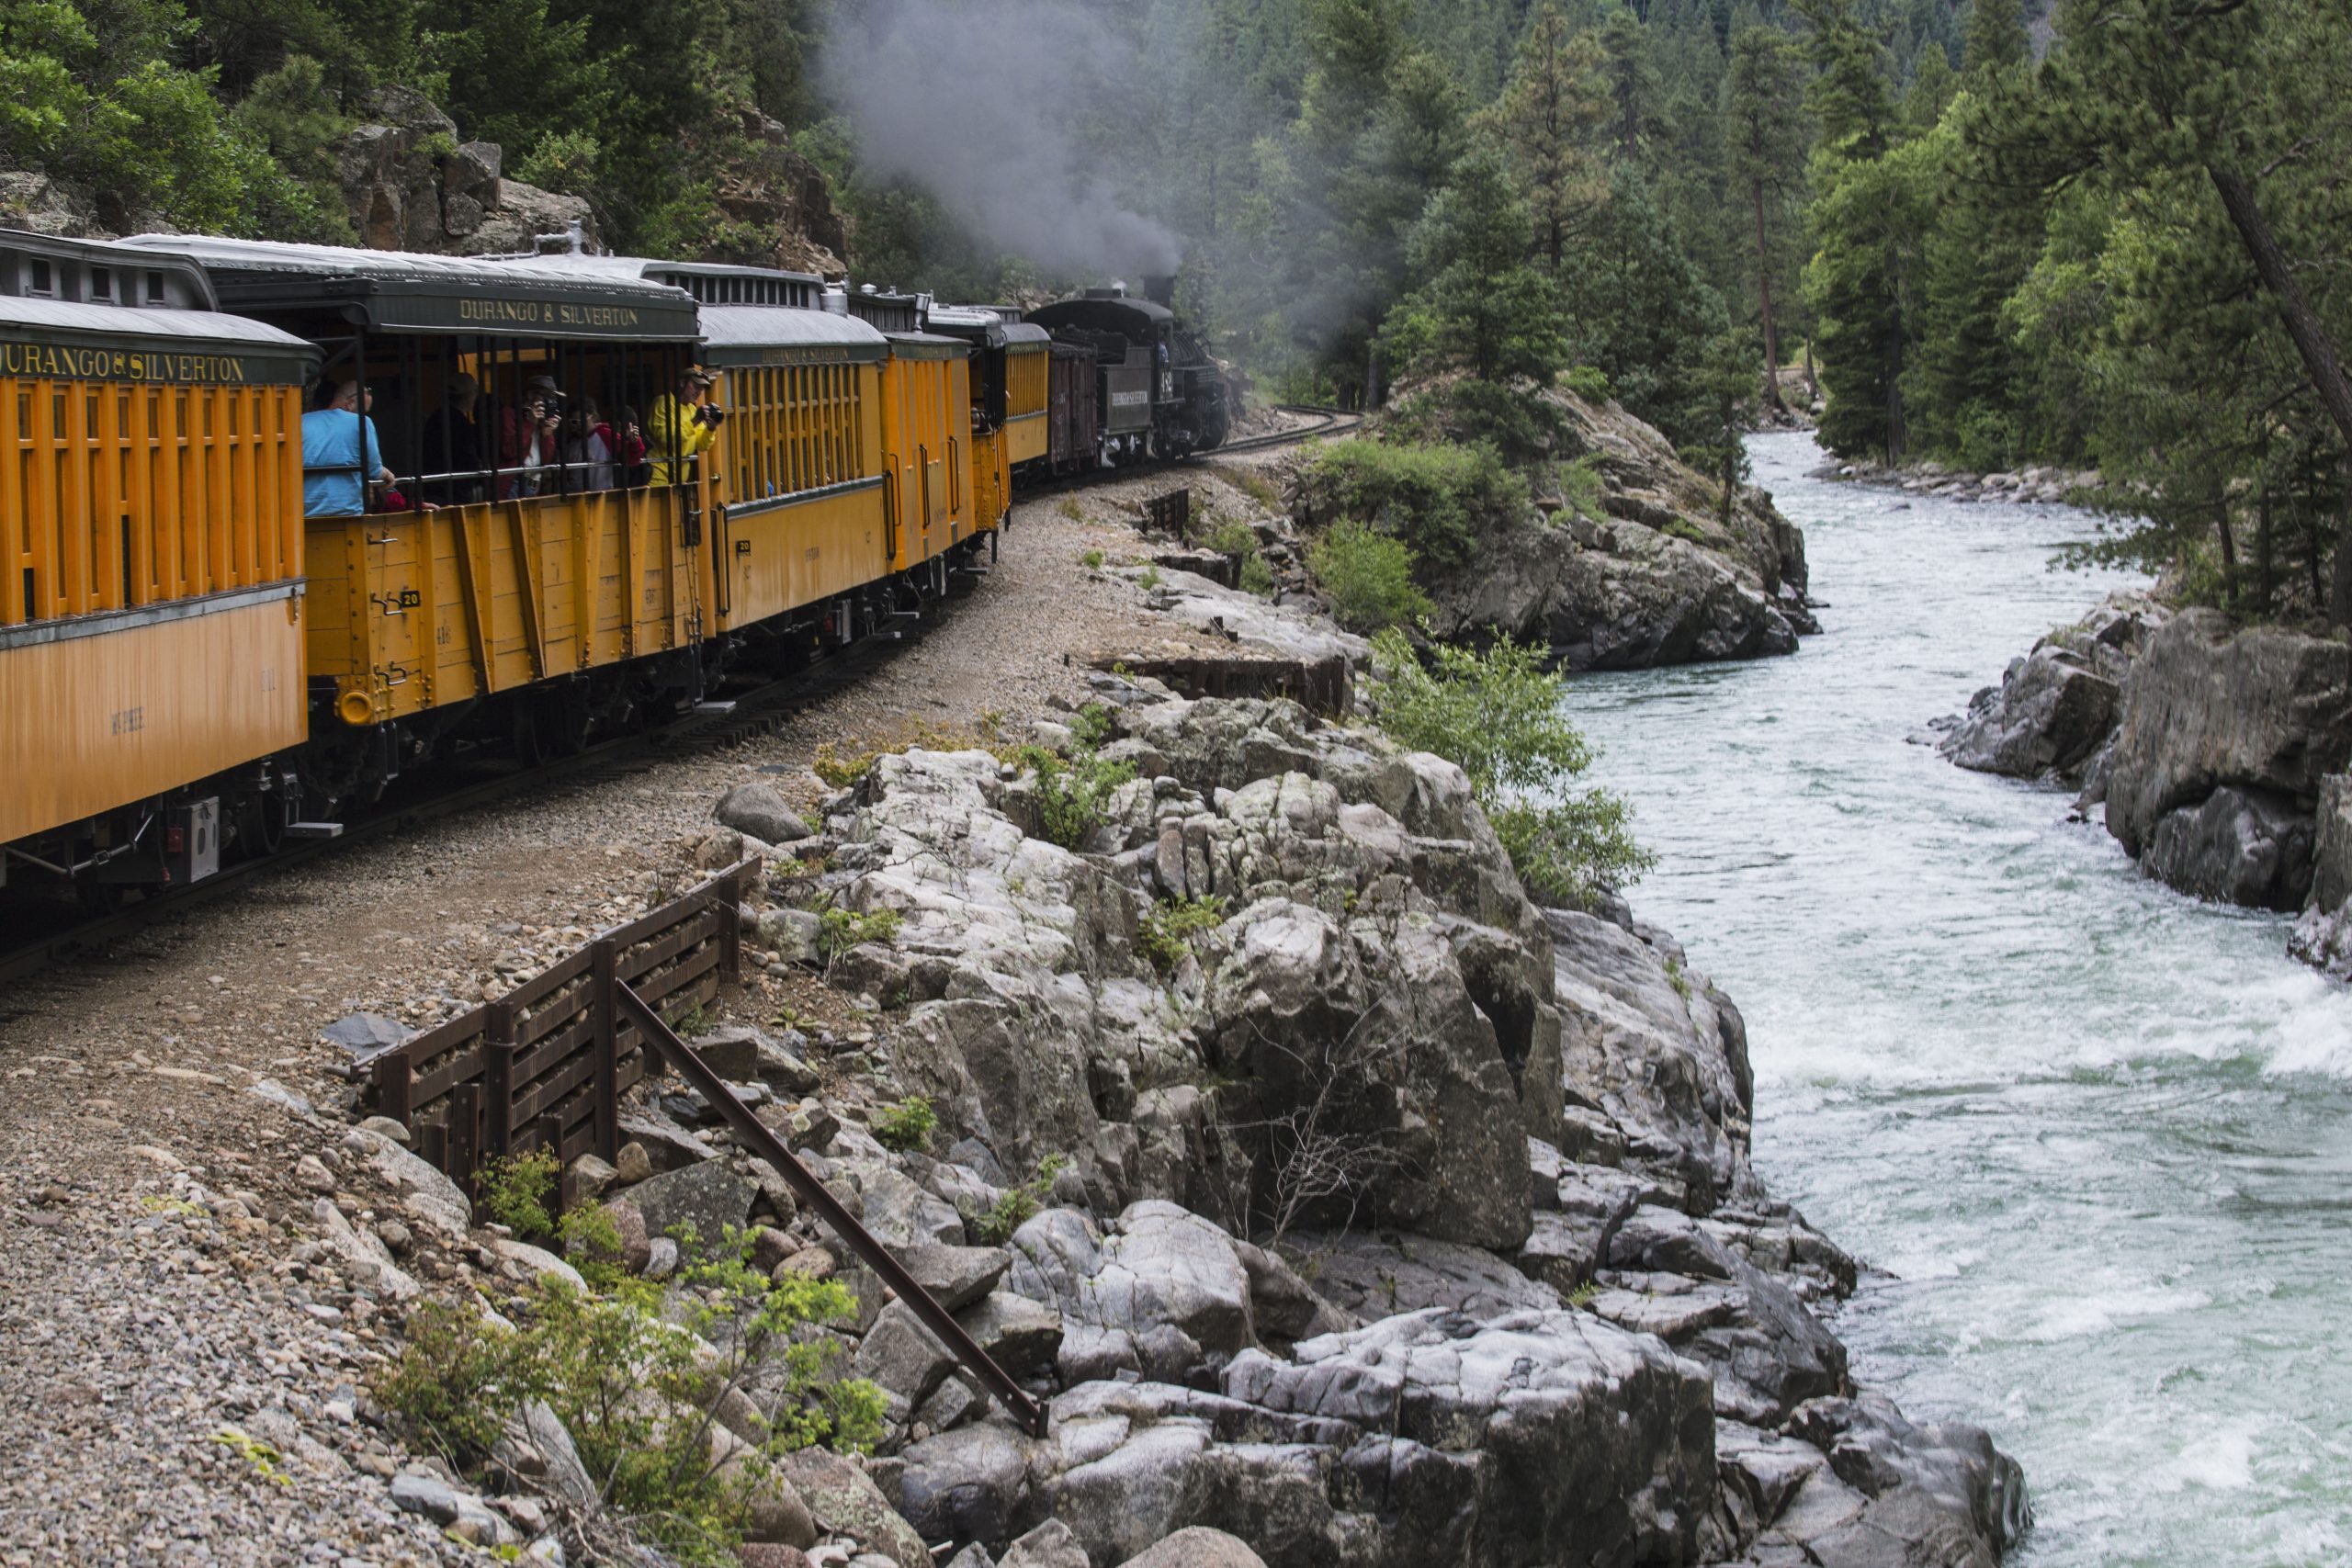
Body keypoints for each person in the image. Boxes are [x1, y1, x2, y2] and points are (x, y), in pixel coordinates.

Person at [301, 378, 392, 517]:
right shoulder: (362, 422)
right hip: (347, 512)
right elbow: (373, 470)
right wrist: (386, 474)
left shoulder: (302, 421)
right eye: (363, 411)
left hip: (305, 513)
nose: (363, 415)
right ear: (350, 403)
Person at [646, 367, 726, 485]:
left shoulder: (692, 409)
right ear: (682, 383)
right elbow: (666, 439)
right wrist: (695, 421)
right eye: (695, 386)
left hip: (679, 479)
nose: (698, 392)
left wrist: (711, 428)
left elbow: (701, 445)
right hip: (658, 475)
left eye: (701, 388)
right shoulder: (663, 403)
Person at [419, 373, 482, 505]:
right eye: (474, 393)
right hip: (454, 490)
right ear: (467, 396)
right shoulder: (459, 422)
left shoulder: (437, 416)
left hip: (434, 486)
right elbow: (468, 457)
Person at [499, 375, 565, 498]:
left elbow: (546, 460)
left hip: (535, 484)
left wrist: (547, 434)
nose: (550, 401)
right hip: (515, 483)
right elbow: (510, 451)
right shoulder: (510, 414)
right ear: (530, 395)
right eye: (546, 396)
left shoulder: (543, 420)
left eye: (553, 398)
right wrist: (530, 423)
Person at [562, 396, 616, 491]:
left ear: (593, 417)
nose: (578, 425)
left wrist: (634, 443)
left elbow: (629, 455)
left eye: (582, 421)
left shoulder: (606, 435)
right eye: (574, 422)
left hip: (602, 497)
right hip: (574, 499)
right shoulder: (570, 441)